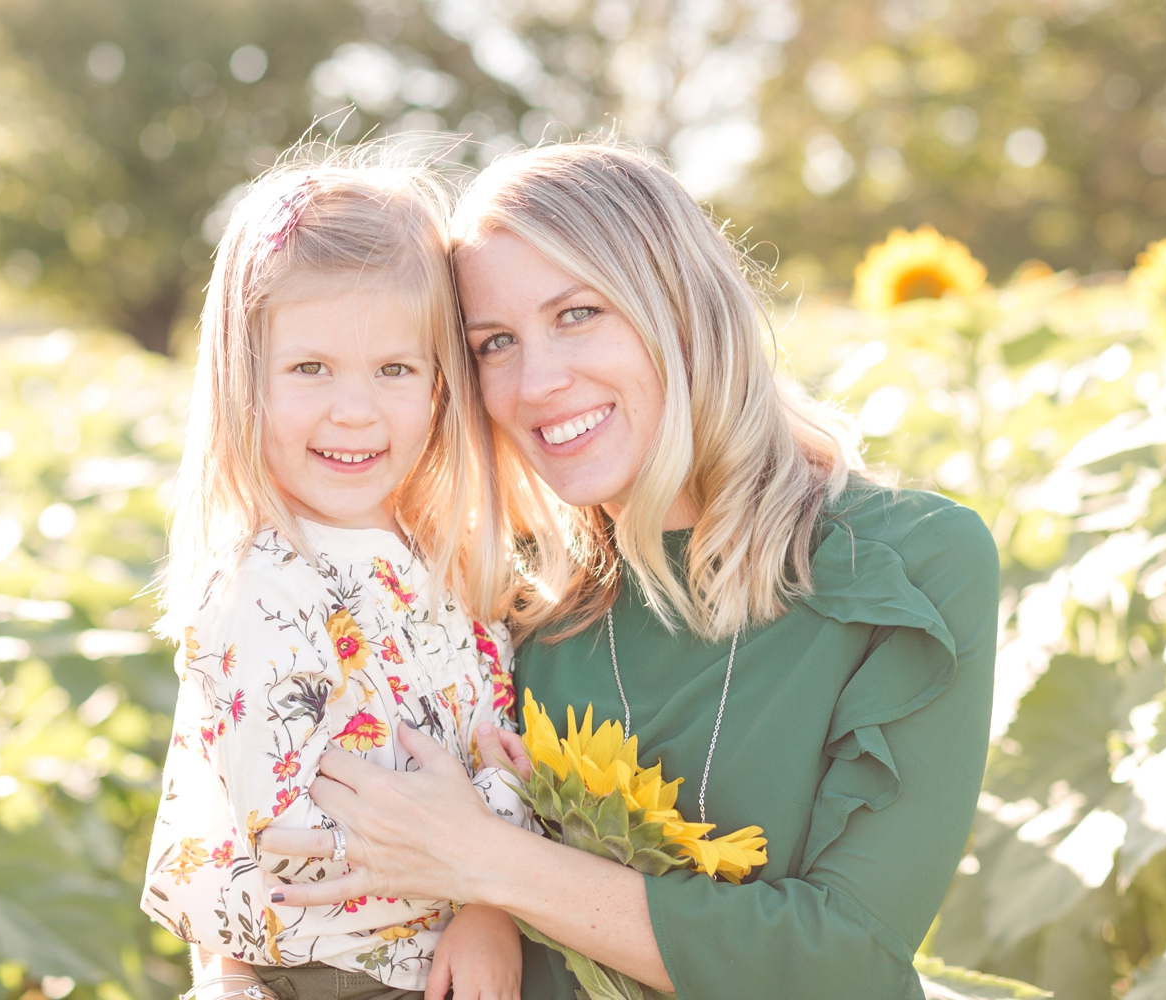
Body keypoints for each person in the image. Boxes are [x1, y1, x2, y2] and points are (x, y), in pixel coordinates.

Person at [259, 141, 1000, 1000]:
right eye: (495, 343)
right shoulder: (503, 593)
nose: (537, 381)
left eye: (578, 314)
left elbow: (846, 965)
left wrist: (491, 865)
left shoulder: (911, 563)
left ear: (681, 307)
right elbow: (256, 860)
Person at [141, 155, 533, 1000]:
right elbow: (286, 825)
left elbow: (501, 740)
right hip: (324, 971)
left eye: (394, 369)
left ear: (439, 386)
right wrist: (479, 859)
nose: (353, 409)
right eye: (310, 368)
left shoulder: (443, 560)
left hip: (440, 951)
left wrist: (492, 893)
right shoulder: (265, 583)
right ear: (246, 379)